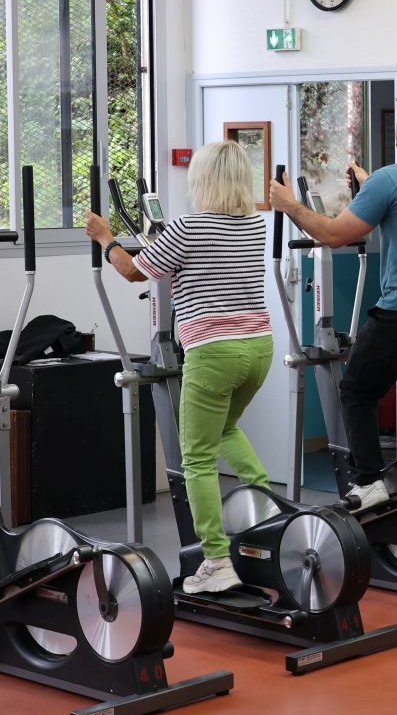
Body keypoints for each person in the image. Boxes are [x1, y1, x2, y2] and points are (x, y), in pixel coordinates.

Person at [269, 85, 397, 510]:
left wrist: (289, 205)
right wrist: (368, 188)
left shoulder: (390, 180)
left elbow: (332, 234)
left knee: (356, 390)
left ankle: (368, 483)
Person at [85, 140, 274, 594]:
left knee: (197, 459)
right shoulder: (256, 224)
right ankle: (268, 514)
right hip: (258, 348)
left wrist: (105, 238)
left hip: (213, 353)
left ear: (203, 180)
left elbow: (133, 271)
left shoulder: (188, 226)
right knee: (225, 430)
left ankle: (217, 561)